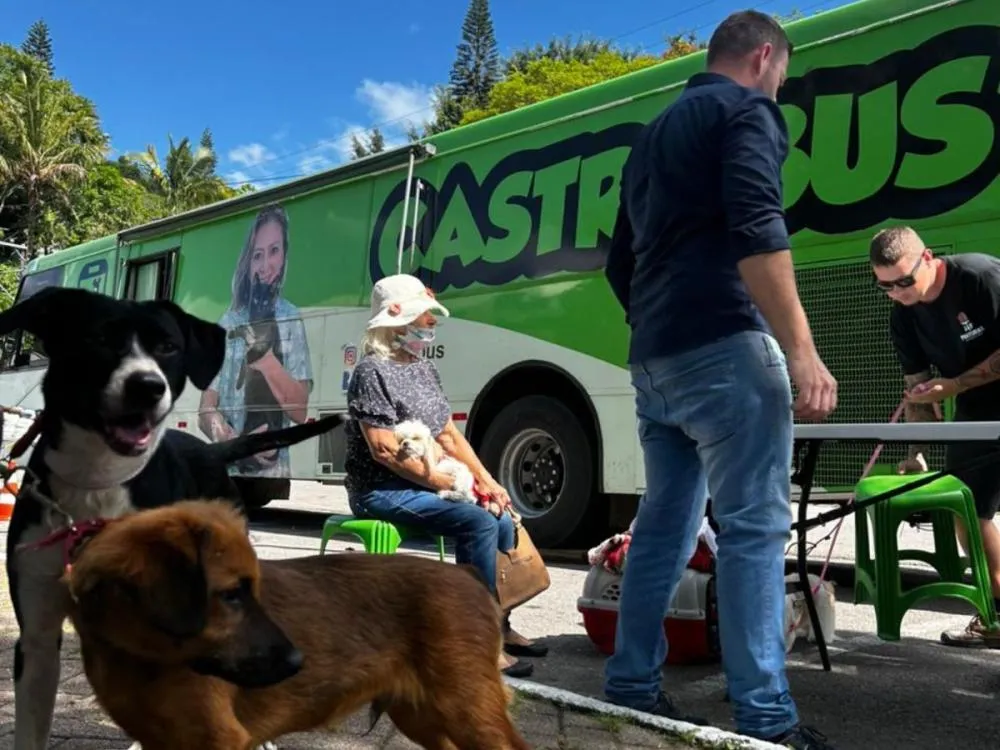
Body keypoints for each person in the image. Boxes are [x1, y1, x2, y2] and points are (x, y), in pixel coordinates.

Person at [602, 10, 837, 749]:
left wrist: (658, 328)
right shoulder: (746, 111)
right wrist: (801, 349)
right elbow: (757, 223)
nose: (779, 88)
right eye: (782, 76)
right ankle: (768, 721)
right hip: (726, 349)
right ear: (764, 56)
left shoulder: (652, 139)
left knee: (663, 531)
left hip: (655, 360)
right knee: (754, 534)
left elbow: (620, 264)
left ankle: (631, 685)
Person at [343, 272, 548, 677]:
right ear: (396, 323)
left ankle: (499, 622)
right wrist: (452, 485)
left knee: (502, 516)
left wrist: (487, 482)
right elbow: (383, 451)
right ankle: (477, 638)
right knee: (476, 521)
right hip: (381, 489)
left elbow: (449, 436)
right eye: (423, 318)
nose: (430, 325)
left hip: (426, 480)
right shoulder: (371, 372)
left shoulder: (421, 369)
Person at [872, 225, 1000, 649]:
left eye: (904, 281)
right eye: (886, 286)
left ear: (928, 258)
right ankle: (995, 615)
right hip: (975, 413)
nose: (898, 292)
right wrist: (918, 450)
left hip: (976, 395)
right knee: (968, 511)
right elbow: (918, 384)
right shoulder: (902, 314)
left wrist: (958, 384)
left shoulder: (979, 276)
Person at [198, 203, 313, 478]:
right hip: (230, 472)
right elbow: (206, 409)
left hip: (273, 474)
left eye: (274, 251)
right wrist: (228, 439)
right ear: (248, 262)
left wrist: (266, 361)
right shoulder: (227, 324)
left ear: (284, 254)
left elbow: (299, 412)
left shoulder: (291, 318)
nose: (265, 266)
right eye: (257, 255)